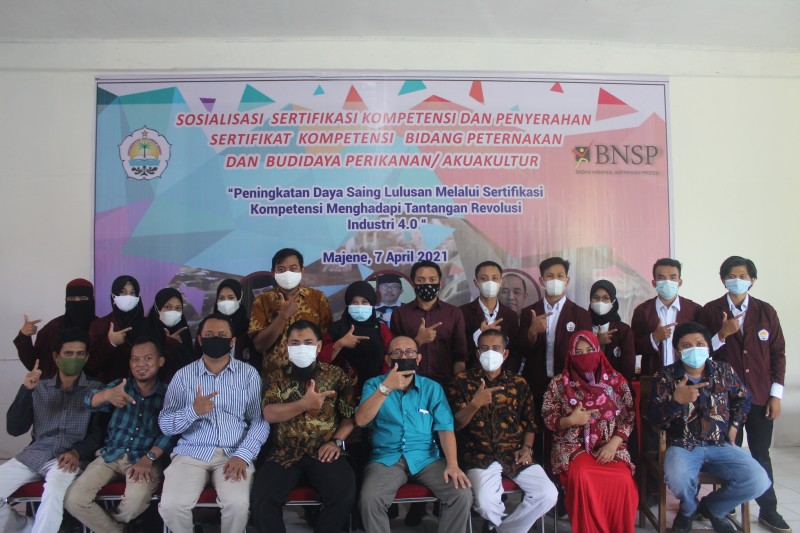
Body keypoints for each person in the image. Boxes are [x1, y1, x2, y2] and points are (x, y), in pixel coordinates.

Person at [648, 322, 771, 533]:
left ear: (708, 347)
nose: (694, 349)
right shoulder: (665, 376)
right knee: (677, 478)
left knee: (759, 480)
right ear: (677, 351)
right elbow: (654, 417)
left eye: (699, 344)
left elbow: (743, 398)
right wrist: (675, 402)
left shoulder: (724, 371)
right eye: (686, 345)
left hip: (720, 444)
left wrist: (734, 425)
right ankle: (688, 510)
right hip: (682, 445)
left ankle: (714, 508)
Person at [700, 256, 790, 533]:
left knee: (761, 454)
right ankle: (724, 504)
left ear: (752, 280)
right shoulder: (710, 311)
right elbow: (699, 353)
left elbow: (778, 354)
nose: (736, 280)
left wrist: (776, 395)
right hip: (724, 399)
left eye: (742, 276)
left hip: (761, 396)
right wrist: (722, 334)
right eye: (731, 275)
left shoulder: (766, 311)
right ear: (722, 279)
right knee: (727, 454)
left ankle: (769, 510)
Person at [158, 313, 269, 533]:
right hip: (191, 453)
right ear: (200, 340)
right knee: (171, 506)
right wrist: (192, 411)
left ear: (232, 341)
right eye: (209, 335)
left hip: (234, 453)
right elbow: (166, 424)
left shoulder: (248, 374)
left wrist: (243, 455)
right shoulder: (183, 376)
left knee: (237, 506)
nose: (215, 339)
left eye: (221, 335)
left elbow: (259, 421)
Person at [355, 336, 473, 533]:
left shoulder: (432, 388)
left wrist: (452, 464)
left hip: (426, 458)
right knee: (370, 499)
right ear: (388, 360)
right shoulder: (374, 385)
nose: (404, 357)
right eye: (397, 353)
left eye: (409, 352)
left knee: (461, 494)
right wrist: (386, 388)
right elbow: (361, 420)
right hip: (386, 458)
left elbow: (445, 428)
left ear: (418, 358)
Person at [252, 320, 356, 533]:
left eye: (308, 342)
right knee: (262, 500)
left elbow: (349, 417)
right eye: (295, 343)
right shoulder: (275, 377)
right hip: (284, 453)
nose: (301, 347)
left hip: (324, 450)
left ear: (319, 346)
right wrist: (304, 404)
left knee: (343, 494)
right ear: (287, 346)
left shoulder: (336, 376)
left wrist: (337, 442)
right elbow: (269, 414)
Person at [449, 329, 558, 532]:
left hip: (514, 453)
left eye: (496, 348)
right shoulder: (462, 381)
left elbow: (530, 423)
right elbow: (455, 424)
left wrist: (527, 448)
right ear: (478, 353)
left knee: (548, 494)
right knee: (486, 503)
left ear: (505, 354)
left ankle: (501, 529)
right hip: (478, 455)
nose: (490, 352)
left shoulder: (519, 383)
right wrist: (474, 404)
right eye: (484, 348)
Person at [65, 336, 175, 533]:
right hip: (111, 454)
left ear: (160, 361)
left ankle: (112, 526)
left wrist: (149, 458)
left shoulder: (169, 393)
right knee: (74, 500)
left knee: (135, 503)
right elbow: (88, 402)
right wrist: (107, 395)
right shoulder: (120, 386)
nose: (141, 364)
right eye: (135, 359)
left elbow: (171, 432)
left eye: (148, 358)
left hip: (144, 458)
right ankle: (118, 530)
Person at [0, 327, 105, 533]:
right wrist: (26, 390)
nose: (74, 358)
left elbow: (99, 434)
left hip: (68, 458)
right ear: (57, 357)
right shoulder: (39, 387)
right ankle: (27, 527)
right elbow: (14, 429)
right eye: (68, 353)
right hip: (34, 455)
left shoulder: (97, 390)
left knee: (54, 491)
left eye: (79, 354)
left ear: (86, 357)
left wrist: (77, 452)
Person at [542, 330, 637, 533]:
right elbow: (548, 418)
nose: (584, 355)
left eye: (589, 349)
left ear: (598, 350)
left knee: (624, 480)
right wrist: (571, 420)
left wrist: (613, 445)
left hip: (610, 446)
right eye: (578, 351)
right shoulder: (559, 384)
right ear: (570, 354)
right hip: (572, 447)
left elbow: (628, 417)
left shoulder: (616, 381)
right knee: (583, 477)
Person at [249, 248, 333, 375]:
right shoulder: (262, 301)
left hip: (312, 376)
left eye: (293, 268)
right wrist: (282, 316)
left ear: (302, 271)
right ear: (273, 273)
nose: (287, 273)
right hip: (274, 378)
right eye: (281, 269)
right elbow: (259, 346)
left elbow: (327, 342)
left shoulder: (318, 298)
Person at [389, 260, 468, 386]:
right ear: (413, 284)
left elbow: (460, 356)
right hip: (410, 382)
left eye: (432, 280)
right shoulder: (400, 314)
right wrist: (418, 341)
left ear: (440, 283)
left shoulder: (454, 313)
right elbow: (394, 352)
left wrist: (457, 384)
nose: (427, 284)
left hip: (446, 383)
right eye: (421, 280)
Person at [630, 258, 704, 375]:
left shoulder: (694, 310)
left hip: (688, 377)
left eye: (672, 277)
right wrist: (654, 338)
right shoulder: (642, 311)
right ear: (654, 283)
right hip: (653, 377)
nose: (667, 282)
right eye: (661, 278)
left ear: (680, 282)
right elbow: (633, 347)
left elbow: (704, 345)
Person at [320, 280, 391, 399]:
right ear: (348, 305)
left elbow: (390, 359)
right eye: (354, 302)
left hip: (376, 392)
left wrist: (376, 387)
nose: (359, 306)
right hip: (340, 393)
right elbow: (319, 361)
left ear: (372, 304)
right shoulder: (335, 329)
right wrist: (339, 344)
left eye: (364, 302)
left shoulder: (381, 329)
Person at [15, 278, 96, 380]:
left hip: (95, 387)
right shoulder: (52, 329)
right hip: (54, 388)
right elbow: (33, 363)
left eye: (83, 298)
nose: (77, 302)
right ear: (66, 300)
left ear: (92, 300)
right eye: (71, 298)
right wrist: (24, 336)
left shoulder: (101, 328)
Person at [459, 261, 520, 372]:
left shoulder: (511, 315)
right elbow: (458, 350)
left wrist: (508, 376)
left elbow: (515, 352)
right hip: (471, 375)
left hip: (503, 377)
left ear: (501, 282)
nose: (490, 282)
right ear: (476, 282)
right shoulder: (462, 312)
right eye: (484, 278)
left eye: (494, 278)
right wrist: (478, 334)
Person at [87, 275, 147, 382]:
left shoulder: (148, 324)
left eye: (132, 293)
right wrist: (110, 343)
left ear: (138, 296)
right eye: (122, 292)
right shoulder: (100, 325)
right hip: (108, 388)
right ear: (113, 296)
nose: (128, 297)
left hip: (143, 387)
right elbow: (90, 366)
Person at [589, 279, 636, 382]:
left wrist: (611, 387)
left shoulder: (623, 330)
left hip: (618, 388)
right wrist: (596, 342)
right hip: (588, 387)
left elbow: (628, 368)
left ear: (613, 301)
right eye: (596, 297)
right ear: (590, 300)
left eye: (606, 298)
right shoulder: (583, 325)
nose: (600, 302)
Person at [142, 287, 195, 380]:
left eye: (178, 308)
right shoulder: (146, 333)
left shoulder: (184, 333)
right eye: (168, 307)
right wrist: (170, 344)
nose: (173, 311)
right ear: (157, 308)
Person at [212, 278, 260, 369]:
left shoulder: (249, 326)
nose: (226, 302)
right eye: (221, 298)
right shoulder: (208, 325)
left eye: (231, 298)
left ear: (239, 299)